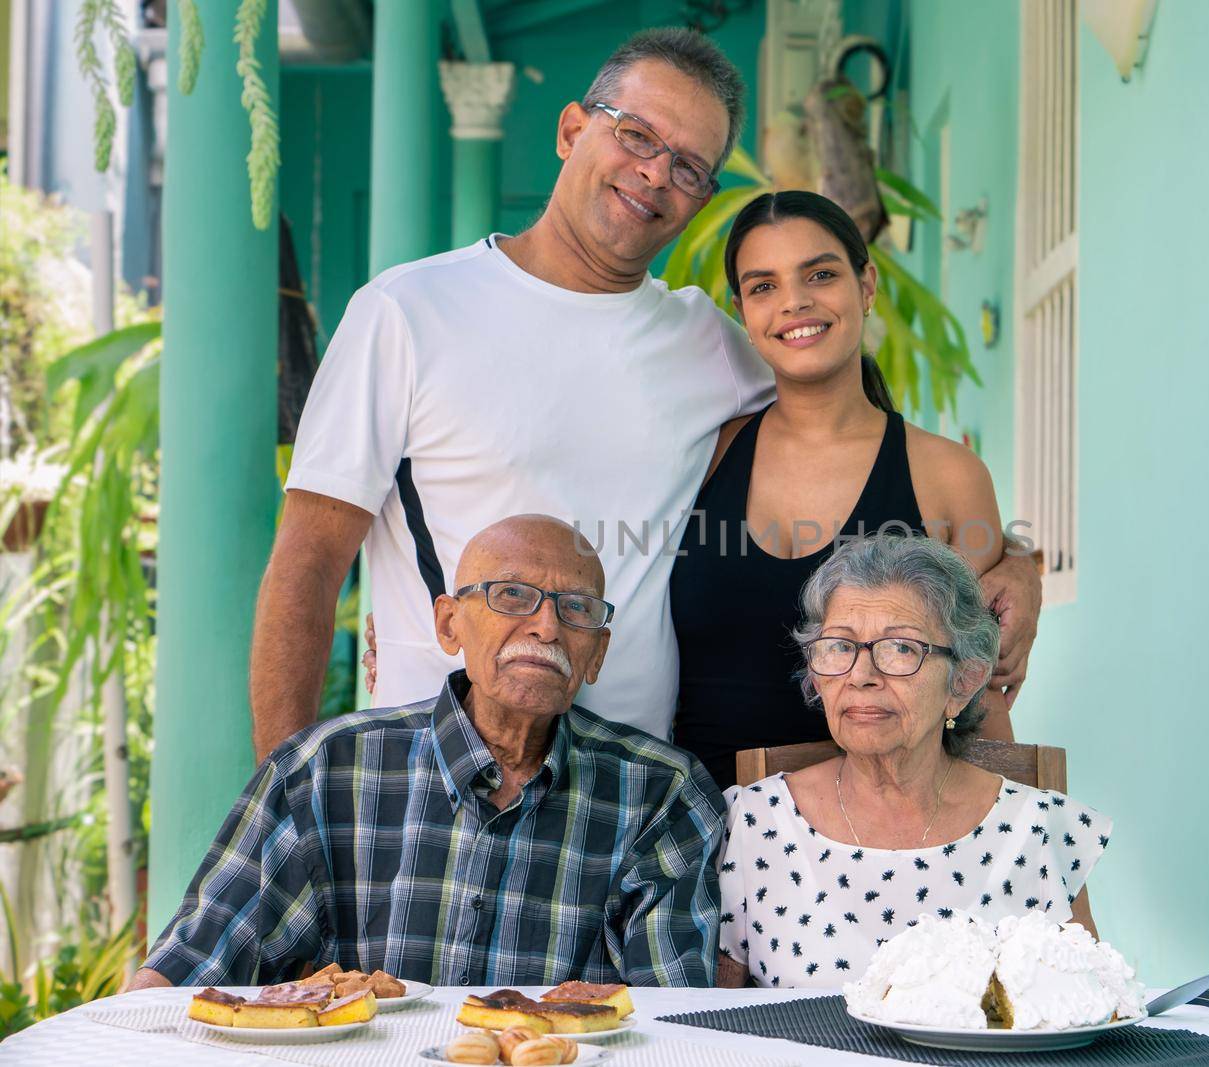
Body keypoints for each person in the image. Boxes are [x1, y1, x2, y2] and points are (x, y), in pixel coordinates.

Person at [251, 29, 773, 758]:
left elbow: (849, 441)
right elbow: (307, 563)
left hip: (623, 799)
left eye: (687, 167)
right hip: (428, 784)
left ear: (701, 199)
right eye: (636, 135)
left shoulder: (713, 347)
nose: (656, 173)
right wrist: (287, 798)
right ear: (571, 130)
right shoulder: (409, 311)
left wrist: (994, 553)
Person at [132, 515, 725, 990]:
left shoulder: (659, 792)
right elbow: (187, 971)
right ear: (449, 626)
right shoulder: (325, 770)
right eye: (512, 595)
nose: (546, 626)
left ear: (596, 653)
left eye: (576, 609)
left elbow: (664, 1020)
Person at [670, 190, 1019, 787]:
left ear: (867, 285)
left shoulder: (947, 476)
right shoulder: (704, 452)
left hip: (880, 850)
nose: (794, 303)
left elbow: (977, 698)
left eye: (821, 275)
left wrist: (1028, 855)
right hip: (702, 836)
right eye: (764, 287)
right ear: (742, 313)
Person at [715, 535, 1112, 989]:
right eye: (840, 647)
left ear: (964, 681)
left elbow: (1090, 1007)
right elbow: (722, 1022)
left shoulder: (1040, 829)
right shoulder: (755, 821)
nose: (861, 676)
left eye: (901, 648)